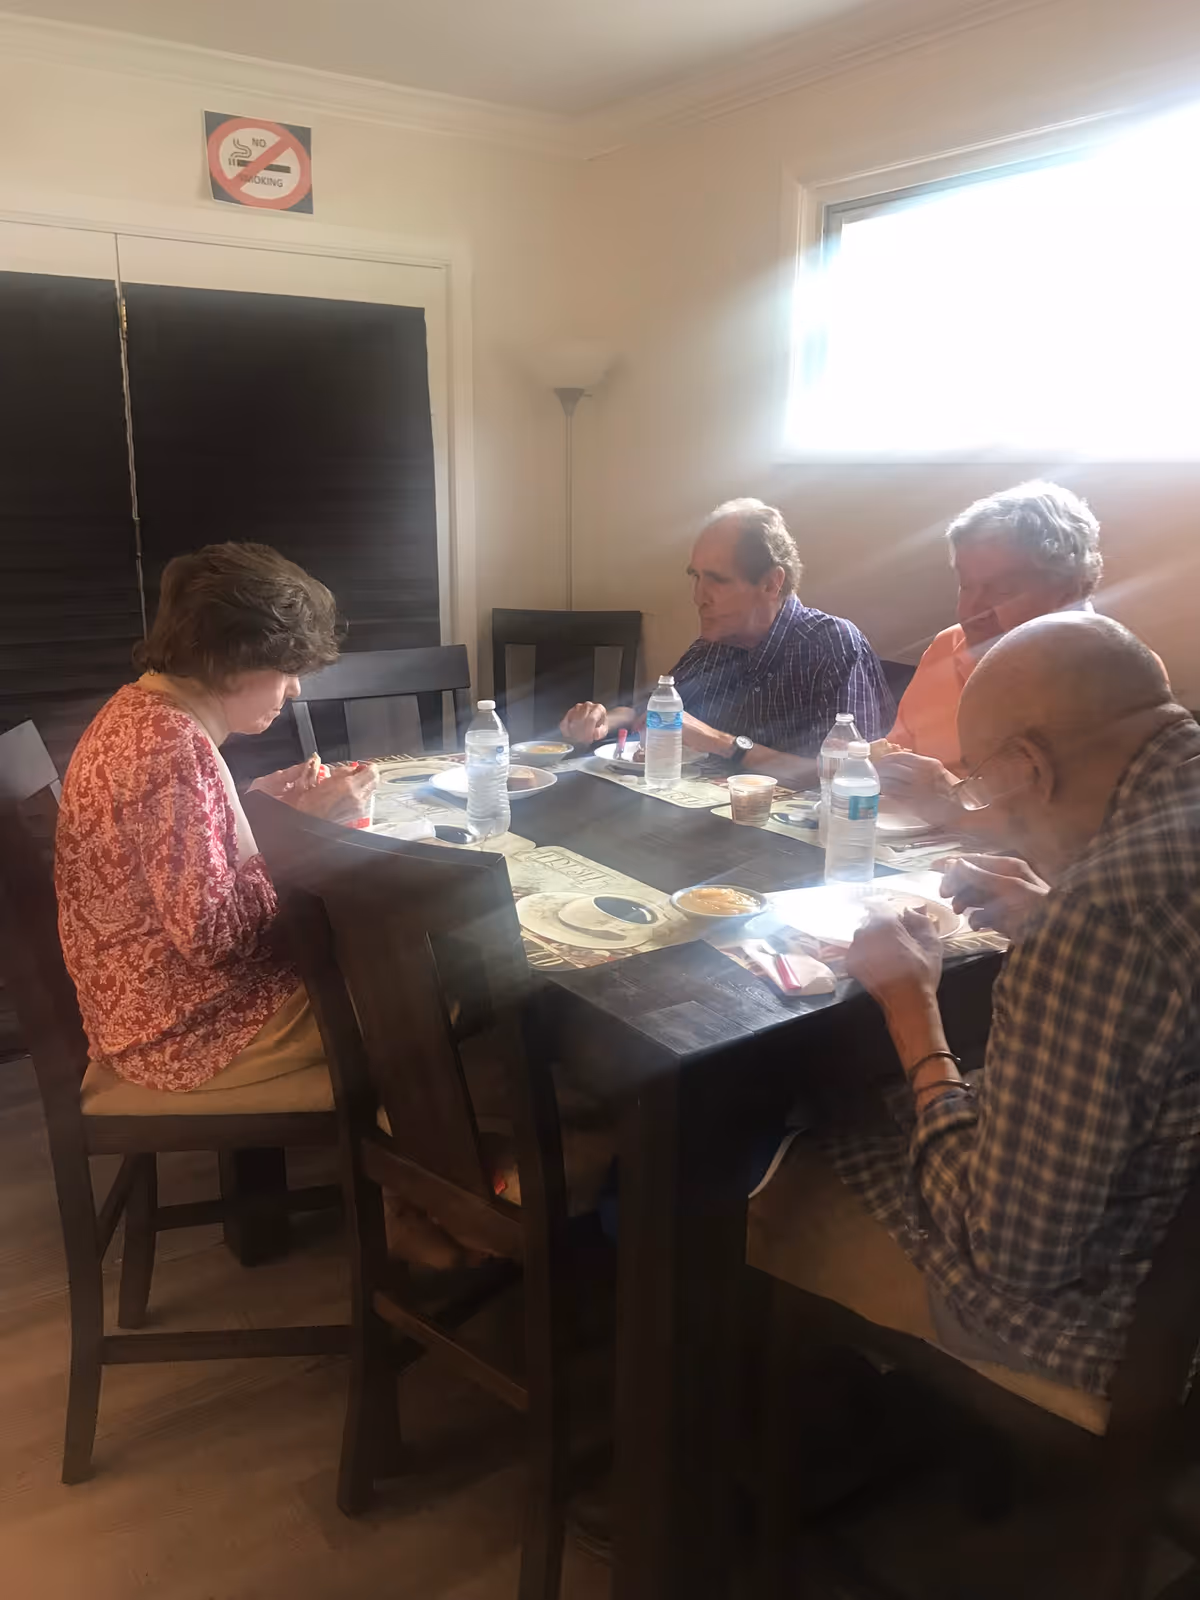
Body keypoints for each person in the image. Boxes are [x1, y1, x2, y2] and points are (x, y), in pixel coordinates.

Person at [749, 612, 1200, 1408]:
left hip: (1109, 1322)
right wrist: (1052, 905)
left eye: (987, 786)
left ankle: (748, 1441)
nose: (992, 809)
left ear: (1032, 765)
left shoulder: (1103, 920)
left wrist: (910, 1007)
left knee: (777, 1159)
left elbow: (1015, 1254)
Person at [559, 499, 894, 788]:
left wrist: (723, 744)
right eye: (696, 577)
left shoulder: (832, 645)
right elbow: (651, 711)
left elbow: (851, 777)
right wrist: (601, 721)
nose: (697, 597)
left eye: (716, 580)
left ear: (771, 583)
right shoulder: (716, 642)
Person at [877, 480, 1104, 822]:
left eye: (1004, 590)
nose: (974, 609)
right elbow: (898, 755)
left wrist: (952, 795)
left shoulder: (1114, 673)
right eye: (965, 585)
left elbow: (1079, 832)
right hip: (912, 854)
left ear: (1069, 591)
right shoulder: (947, 645)